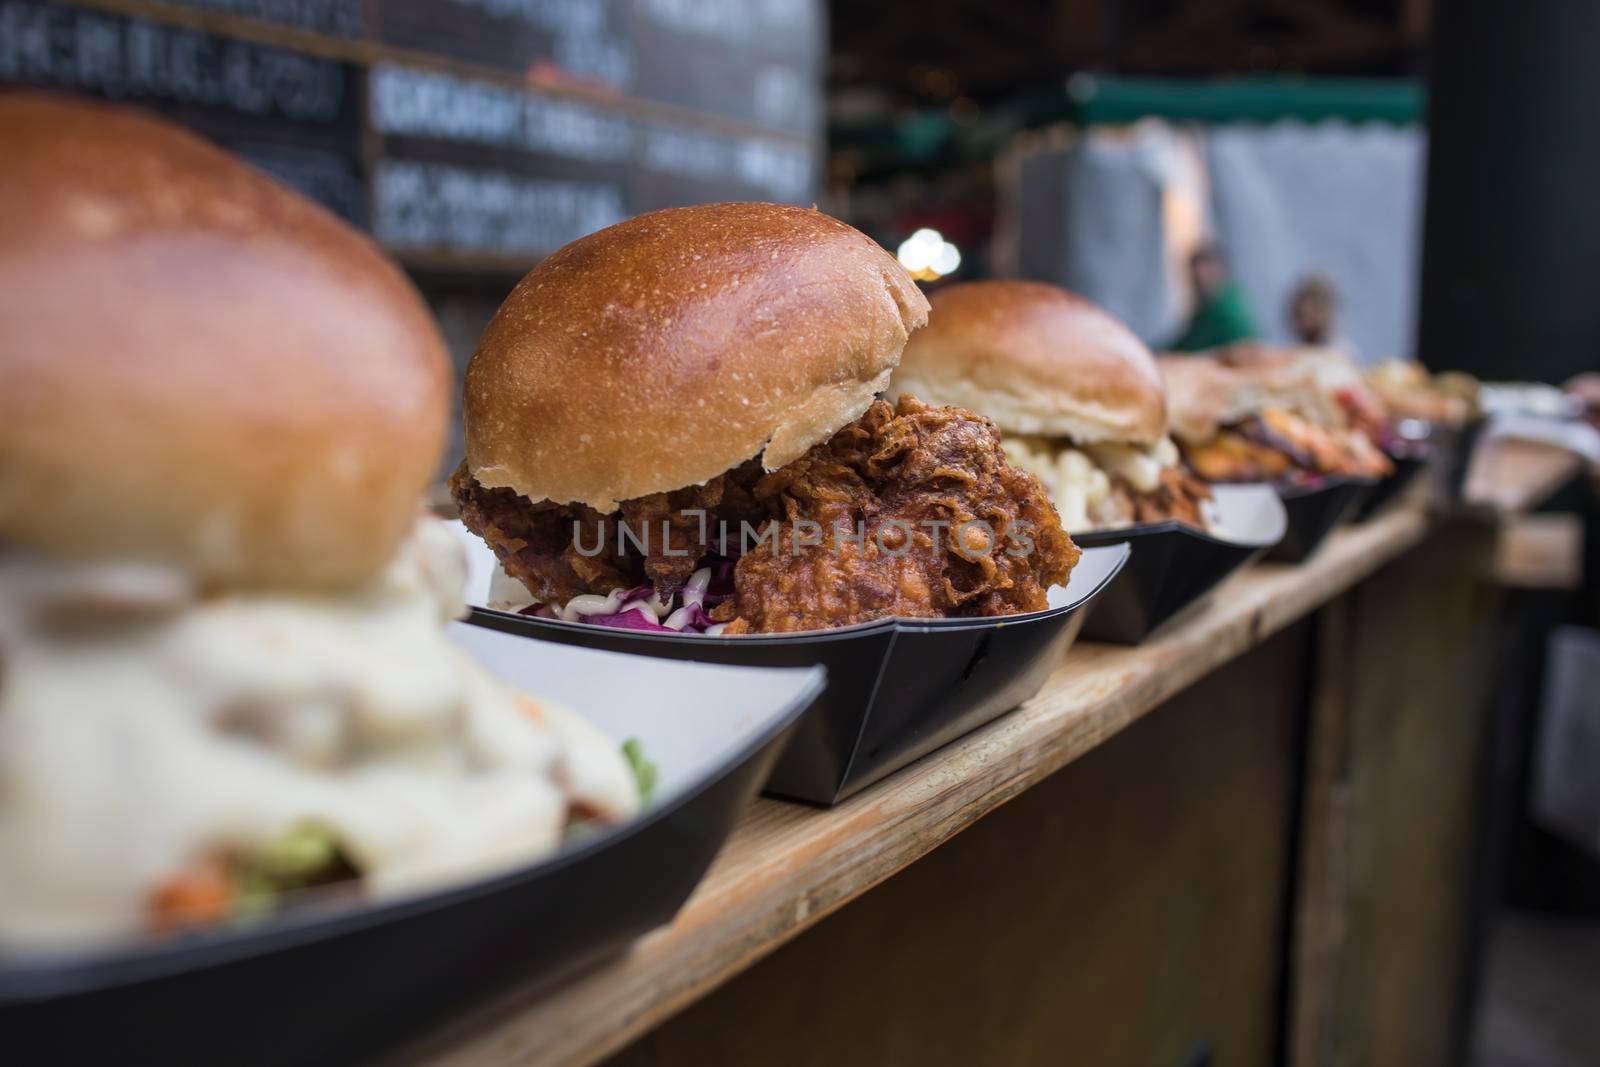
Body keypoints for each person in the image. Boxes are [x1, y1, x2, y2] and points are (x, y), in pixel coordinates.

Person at [1167, 244, 1258, 352]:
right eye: (1196, 278)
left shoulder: (1224, 310)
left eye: (1206, 275)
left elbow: (1193, 346)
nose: (1200, 282)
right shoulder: (1210, 306)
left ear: (1220, 271)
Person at [1287, 273, 1348, 351]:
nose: (1306, 320)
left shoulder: (1339, 352)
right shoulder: (1292, 351)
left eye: (1312, 311)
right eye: (1300, 314)